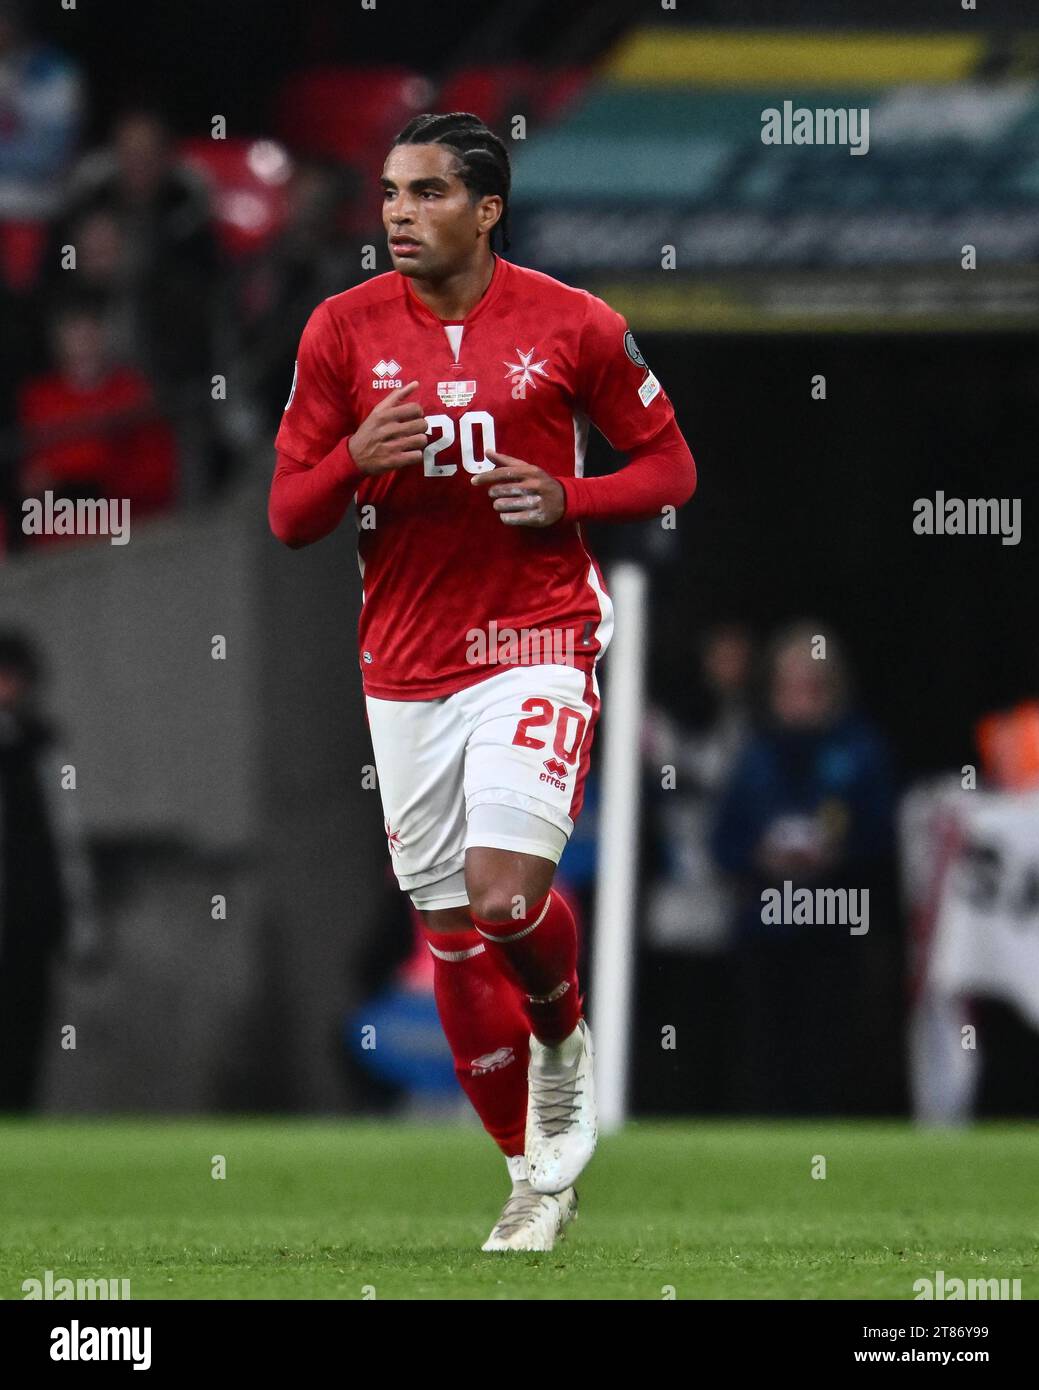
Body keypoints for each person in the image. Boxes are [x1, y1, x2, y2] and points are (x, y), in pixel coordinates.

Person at [268, 112, 696, 1250]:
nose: (398, 214)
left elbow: (670, 467)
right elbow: (287, 516)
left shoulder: (575, 324)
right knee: (451, 932)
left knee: (507, 896)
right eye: (390, 194)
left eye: (425, 193)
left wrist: (571, 498)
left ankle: (560, 1031)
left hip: (536, 641)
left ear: (486, 208)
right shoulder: (340, 333)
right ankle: (530, 1179)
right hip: (405, 666)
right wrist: (354, 459)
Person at [711, 623, 896, 1114]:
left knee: (827, 1047)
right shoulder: (755, 754)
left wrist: (839, 853)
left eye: (810, 685)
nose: (798, 698)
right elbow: (724, 840)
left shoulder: (859, 751)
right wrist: (760, 856)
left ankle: (828, 1139)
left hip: (834, 926)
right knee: (766, 1047)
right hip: (766, 925)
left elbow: (883, 839)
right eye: (788, 685)